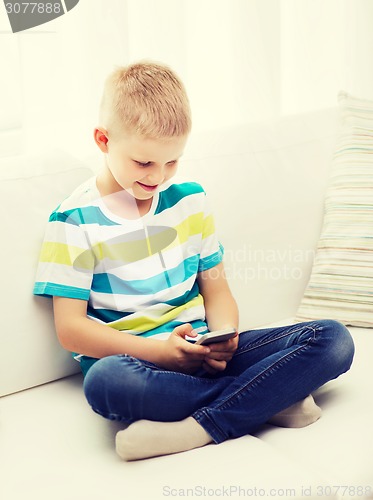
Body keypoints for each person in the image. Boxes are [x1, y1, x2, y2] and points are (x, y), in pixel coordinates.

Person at [33, 61, 355, 461]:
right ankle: (266, 399)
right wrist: (162, 354)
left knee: (333, 340)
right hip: (138, 364)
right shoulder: (72, 220)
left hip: (202, 351)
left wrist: (225, 335)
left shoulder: (191, 201)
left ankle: (200, 425)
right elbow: (71, 331)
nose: (158, 177)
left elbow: (217, 290)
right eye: (144, 163)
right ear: (103, 139)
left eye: (172, 162)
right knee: (104, 382)